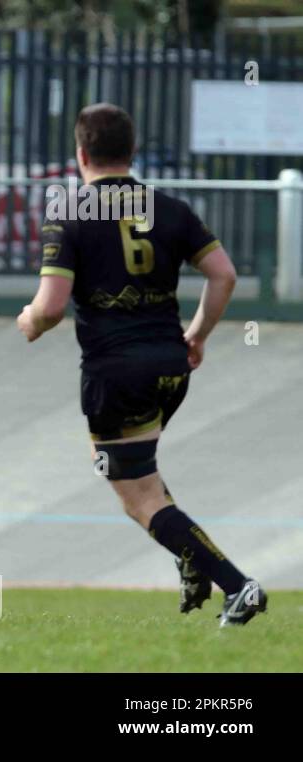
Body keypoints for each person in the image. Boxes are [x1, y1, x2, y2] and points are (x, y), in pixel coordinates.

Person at [17, 102, 264, 627]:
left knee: (138, 496)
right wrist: (196, 336)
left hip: (118, 370)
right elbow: (224, 275)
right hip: (171, 367)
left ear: (80, 154)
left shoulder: (71, 211)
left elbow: (52, 306)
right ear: (131, 152)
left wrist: (29, 322)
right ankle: (192, 562)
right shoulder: (169, 207)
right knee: (139, 473)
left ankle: (238, 588)